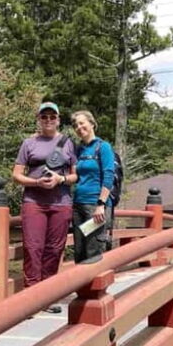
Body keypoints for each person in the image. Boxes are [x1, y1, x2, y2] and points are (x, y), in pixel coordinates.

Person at [12, 102, 77, 313]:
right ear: (38, 120)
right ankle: (32, 298)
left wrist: (60, 179)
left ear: (58, 120)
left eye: (52, 117)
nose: (48, 120)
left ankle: (47, 297)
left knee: (54, 249)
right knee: (33, 247)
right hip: (34, 202)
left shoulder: (68, 143)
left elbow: (75, 175)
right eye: (44, 117)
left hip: (61, 202)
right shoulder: (29, 143)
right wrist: (36, 183)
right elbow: (16, 175)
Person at [70, 110, 115, 263]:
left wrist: (101, 204)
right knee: (80, 251)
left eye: (82, 123)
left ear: (92, 124)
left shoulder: (103, 147)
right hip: (78, 206)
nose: (79, 127)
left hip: (95, 207)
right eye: (75, 125)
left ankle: (95, 280)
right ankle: (81, 280)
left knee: (93, 249)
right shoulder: (79, 150)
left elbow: (109, 175)